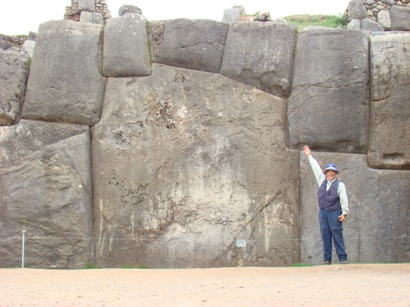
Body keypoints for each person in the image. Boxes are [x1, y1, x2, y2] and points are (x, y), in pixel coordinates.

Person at [303, 145, 349, 265]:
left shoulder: (340, 185)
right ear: (326, 172)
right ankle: (327, 259)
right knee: (325, 235)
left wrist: (344, 213)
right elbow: (315, 167)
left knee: (337, 235)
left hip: (335, 212)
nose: (331, 173)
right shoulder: (322, 180)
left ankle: (342, 257)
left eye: (333, 171)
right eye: (329, 171)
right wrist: (309, 155)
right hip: (323, 212)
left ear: (335, 173)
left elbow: (344, 199)